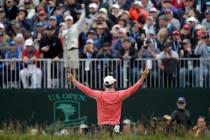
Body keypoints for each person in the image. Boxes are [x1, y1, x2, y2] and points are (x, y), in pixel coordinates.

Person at [68, 68, 149, 134]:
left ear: (104, 85)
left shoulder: (99, 95)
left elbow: (85, 90)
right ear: (114, 84)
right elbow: (134, 88)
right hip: (115, 126)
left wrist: (73, 80)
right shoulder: (119, 95)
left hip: (102, 126)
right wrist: (143, 76)